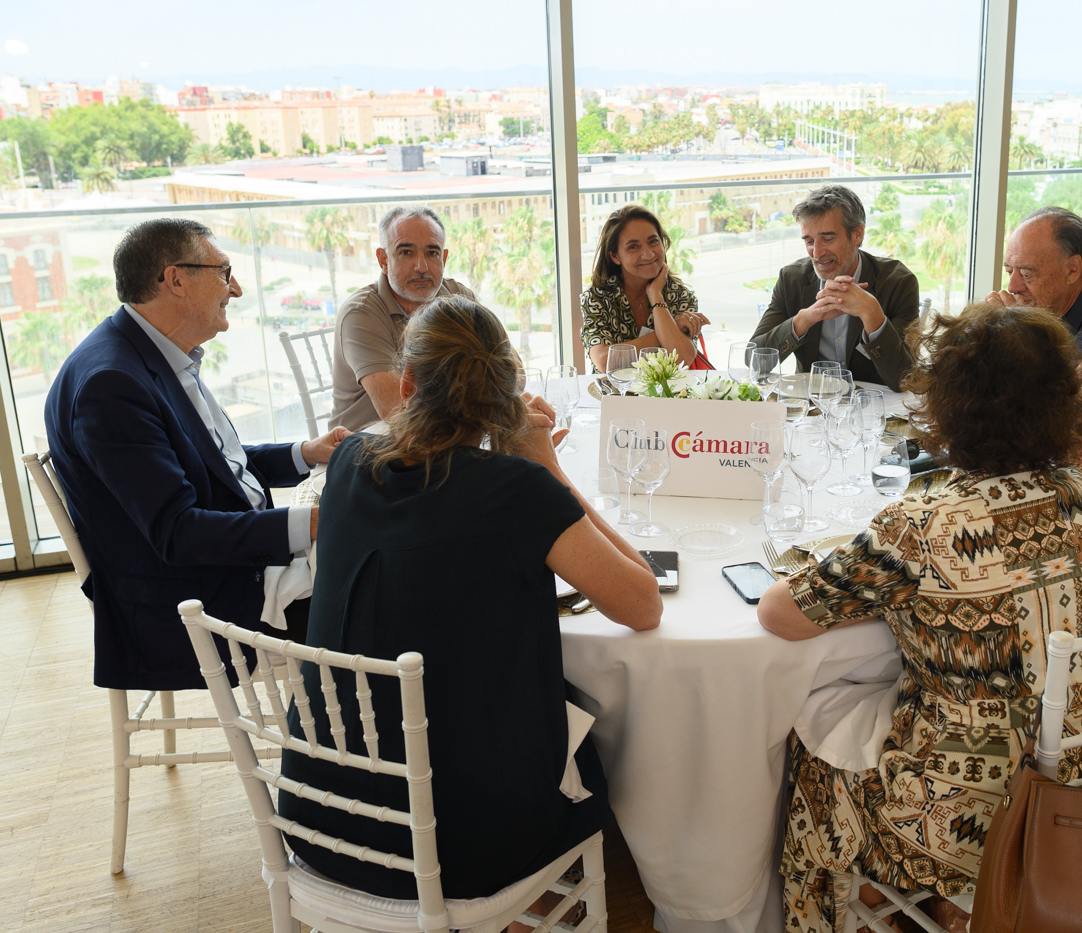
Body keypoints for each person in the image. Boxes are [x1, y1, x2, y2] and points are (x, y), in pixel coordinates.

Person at [281, 294, 662, 899]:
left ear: (407, 383)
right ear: (505, 393)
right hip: (465, 843)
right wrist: (547, 465)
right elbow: (644, 603)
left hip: (321, 810)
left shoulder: (351, 459)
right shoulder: (518, 492)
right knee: (612, 742)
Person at [758, 303, 1082, 933]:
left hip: (954, 820)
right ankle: (934, 906)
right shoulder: (1081, 493)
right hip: (1074, 787)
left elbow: (781, 615)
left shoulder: (922, 524)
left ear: (948, 401)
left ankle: (855, 908)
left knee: (809, 748)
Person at [44, 218, 347, 689]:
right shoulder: (111, 385)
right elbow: (178, 534)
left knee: (373, 558)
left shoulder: (148, 352)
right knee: (378, 588)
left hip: (226, 566)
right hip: (194, 605)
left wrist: (307, 453)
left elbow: (208, 461)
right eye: (224, 272)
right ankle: (360, 746)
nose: (237, 288)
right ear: (176, 280)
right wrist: (312, 523)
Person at [750, 184, 918, 390]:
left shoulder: (898, 283)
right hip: (811, 407)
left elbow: (905, 379)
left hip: (873, 408)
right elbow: (754, 360)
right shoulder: (792, 279)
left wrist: (872, 314)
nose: (817, 253)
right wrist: (803, 320)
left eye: (827, 238)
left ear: (857, 234)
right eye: (809, 241)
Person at [329, 206, 475, 431]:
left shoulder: (460, 297)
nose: (421, 267)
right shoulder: (361, 313)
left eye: (432, 252)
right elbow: (398, 411)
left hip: (446, 439)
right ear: (383, 259)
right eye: (406, 252)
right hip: (365, 452)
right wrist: (479, 394)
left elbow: (512, 374)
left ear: (444, 258)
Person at [986, 206, 1082, 421]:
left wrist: (1015, 342)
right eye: (1009, 272)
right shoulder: (1046, 315)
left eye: (1026, 274)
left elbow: (1041, 425)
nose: (1012, 286)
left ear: (1072, 269)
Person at [580, 204, 709, 372]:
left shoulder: (680, 296)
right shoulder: (597, 297)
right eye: (633, 246)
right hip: (616, 396)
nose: (648, 254)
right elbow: (605, 362)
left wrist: (656, 296)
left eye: (653, 241)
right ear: (615, 256)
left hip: (667, 397)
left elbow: (683, 359)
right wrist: (672, 328)